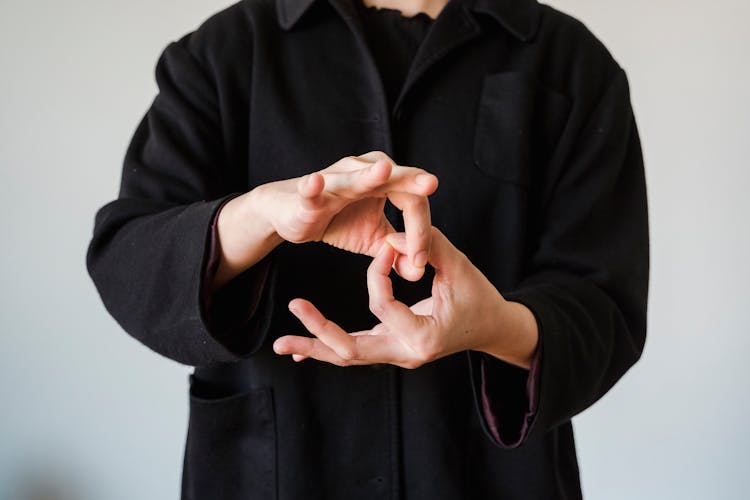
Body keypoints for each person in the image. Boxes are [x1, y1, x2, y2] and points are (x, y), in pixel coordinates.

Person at [86, 0, 649, 498]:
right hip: (275, 471)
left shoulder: (571, 63)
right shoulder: (223, 52)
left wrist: (496, 324)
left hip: (489, 476)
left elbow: (605, 303)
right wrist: (263, 215)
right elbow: (130, 261)